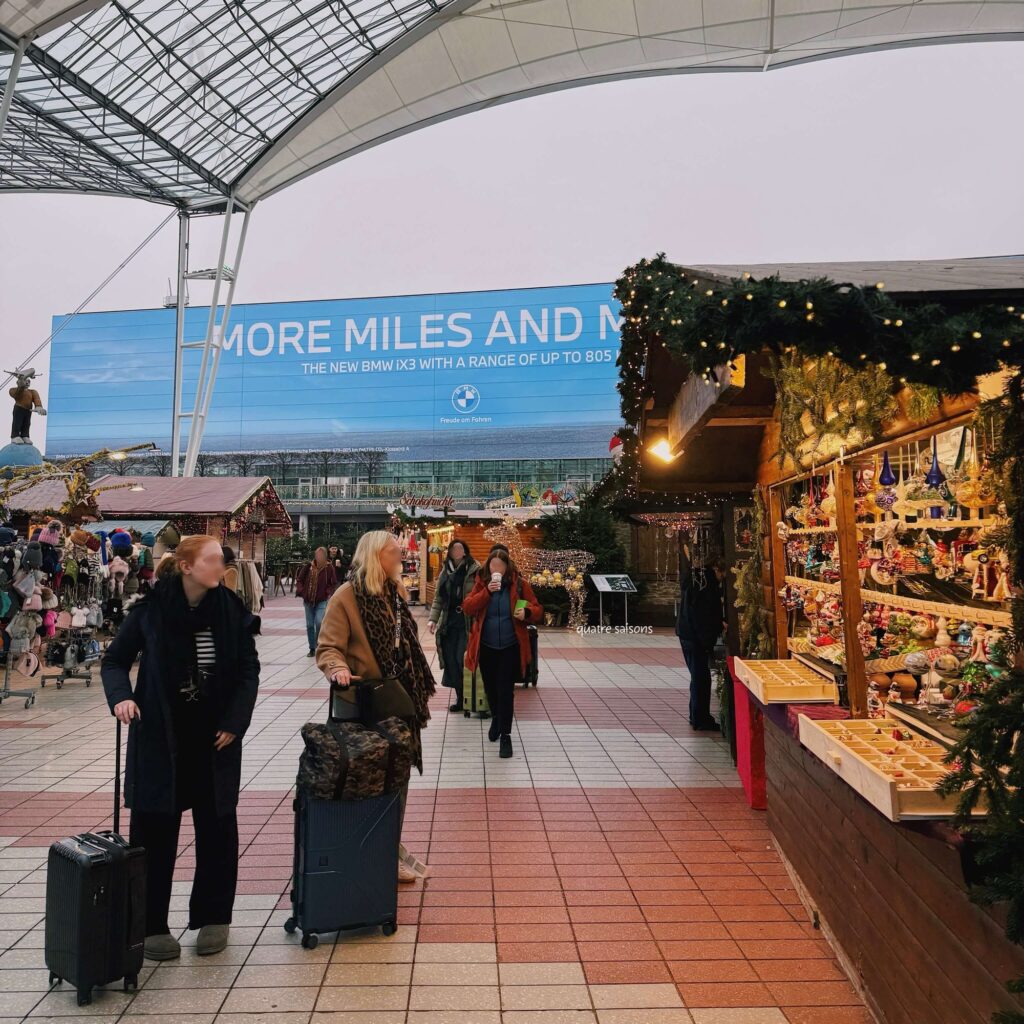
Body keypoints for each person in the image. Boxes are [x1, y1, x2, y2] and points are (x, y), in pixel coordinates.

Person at [101, 535, 260, 962]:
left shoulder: (231, 611)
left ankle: (214, 918)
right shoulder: (151, 612)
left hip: (215, 739)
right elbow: (115, 660)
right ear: (187, 566)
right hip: (160, 735)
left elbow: (248, 671)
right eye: (212, 559)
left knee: (218, 827)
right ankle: (150, 924)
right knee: (154, 830)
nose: (221, 565)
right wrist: (121, 698)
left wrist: (235, 721)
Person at [316, 530, 436, 883]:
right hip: (366, 706)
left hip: (400, 703)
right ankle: (372, 851)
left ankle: (386, 848)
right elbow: (328, 646)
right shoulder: (347, 596)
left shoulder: (395, 592)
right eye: (394, 553)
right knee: (371, 782)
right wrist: (337, 668)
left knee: (397, 781)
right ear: (375, 556)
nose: (401, 558)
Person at [463, 551, 542, 759]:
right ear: (488, 566)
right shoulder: (481, 583)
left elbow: (537, 608)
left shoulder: (519, 584)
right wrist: (487, 592)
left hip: (510, 646)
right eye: (493, 565)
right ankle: (497, 718)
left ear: (507, 566)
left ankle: (506, 735)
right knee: (491, 689)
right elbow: (468, 607)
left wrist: (527, 613)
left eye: (500, 565)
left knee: (506, 691)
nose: (496, 569)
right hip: (486, 646)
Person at [676, 545, 725, 731]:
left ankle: (696, 715)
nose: (722, 580)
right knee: (701, 678)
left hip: (686, 633)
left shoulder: (696, 579)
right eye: (723, 575)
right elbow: (703, 614)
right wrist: (708, 640)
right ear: (716, 569)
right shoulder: (706, 584)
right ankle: (700, 718)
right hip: (696, 637)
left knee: (697, 676)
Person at [428, 539, 481, 711]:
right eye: (454, 548)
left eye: (460, 548)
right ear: (450, 552)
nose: (457, 551)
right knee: (450, 660)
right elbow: (439, 598)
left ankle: (471, 698)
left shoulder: (475, 569)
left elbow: (480, 595)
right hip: (449, 622)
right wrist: (432, 620)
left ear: (465, 551)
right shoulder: (445, 572)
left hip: (467, 621)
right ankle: (460, 698)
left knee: (462, 659)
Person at [296, 547, 337, 657]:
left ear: (324, 556)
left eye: (320, 555)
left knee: (319, 622)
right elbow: (299, 579)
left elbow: (333, 583)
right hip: (308, 600)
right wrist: (301, 590)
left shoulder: (329, 568)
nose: (318, 557)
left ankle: (319, 643)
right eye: (317, 555)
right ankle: (312, 648)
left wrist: (328, 592)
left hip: (322, 600)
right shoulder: (308, 567)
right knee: (310, 625)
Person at [8, 368, 46, 445]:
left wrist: (39, 407)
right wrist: (21, 383)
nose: (27, 383)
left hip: (28, 410)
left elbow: (37, 399)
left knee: (27, 423)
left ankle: (25, 435)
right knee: (17, 422)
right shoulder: (13, 390)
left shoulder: (32, 392)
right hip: (19, 408)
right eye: (26, 381)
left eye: (29, 381)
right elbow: (17, 394)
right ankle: (15, 436)